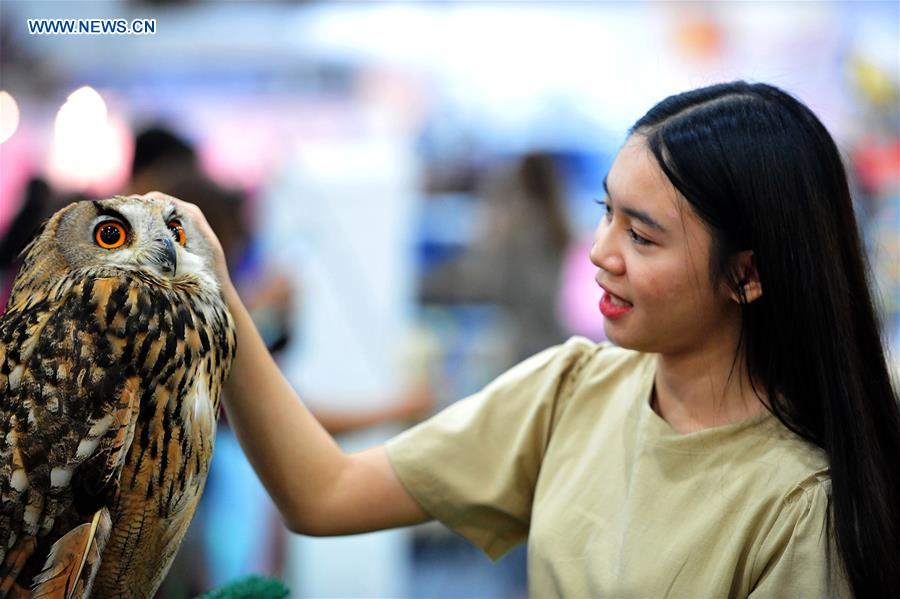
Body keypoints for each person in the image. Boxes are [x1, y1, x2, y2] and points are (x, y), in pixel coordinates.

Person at [157, 80, 900, 598]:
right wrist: (216, 297)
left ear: (747, 274)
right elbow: (323, 492)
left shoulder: (806, 505)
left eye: (642, 235)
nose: (602, 250)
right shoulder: (572, 388)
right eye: (605, 211)